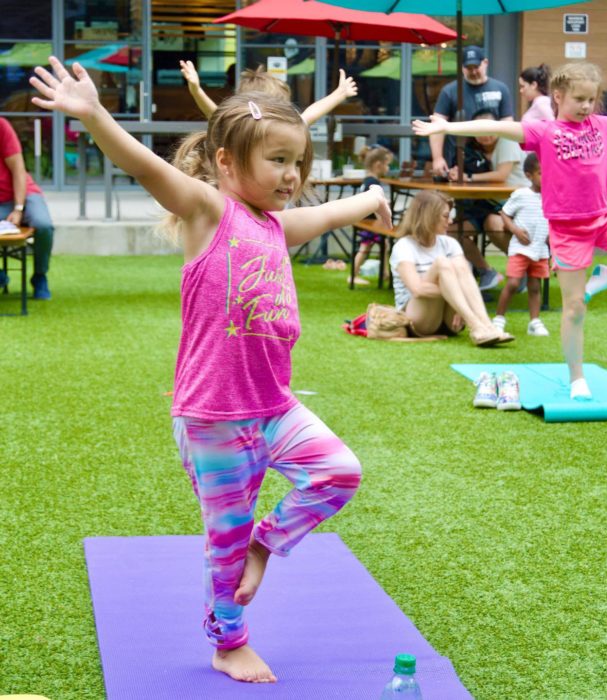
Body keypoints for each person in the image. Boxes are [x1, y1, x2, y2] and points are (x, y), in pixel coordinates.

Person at [31, 56, 392, 684]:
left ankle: (265, 541)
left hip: (274, 407)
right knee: (221, 546)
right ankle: (229, 641)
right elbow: (141, 165)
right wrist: (93, 115)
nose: (292, 175)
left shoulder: (280, 227)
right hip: (213, 419)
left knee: (339, 472)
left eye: (297, 162)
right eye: (277, 161)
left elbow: (333, 214)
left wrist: (373, 196)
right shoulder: (207, 211)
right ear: (226, 162)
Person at [413, 62, 607, 399]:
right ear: (558, 96)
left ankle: (605, 277)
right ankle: (577, 378)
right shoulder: (544, 131)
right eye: (578, 99)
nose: (585, 106)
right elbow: (494, 127)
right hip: (568, 232)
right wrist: (448, 127)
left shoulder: (601, 125)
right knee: (574, 309)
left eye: (591, 99)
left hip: (603, 219)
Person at [389, 189, 514, 347]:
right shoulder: (404, 246)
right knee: (442, 263)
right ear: (429, 216)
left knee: (458, 265)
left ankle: (487, 326)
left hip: (449, 322)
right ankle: (475, 326)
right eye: (446, 216)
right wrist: (455, 294)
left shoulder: (449, 243)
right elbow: (418, 290)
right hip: (418, 321)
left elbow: (465, 277)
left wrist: (455, 296)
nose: (450, 221)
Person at [447, 108, 529, 290]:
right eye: (479, 133)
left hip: (516, 206)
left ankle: (523, 268)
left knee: (492, 224)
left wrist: (467, 177)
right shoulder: (473, 150)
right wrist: (456, 172)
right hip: (488, 204)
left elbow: (501, 175)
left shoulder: (508, 141)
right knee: (452, 232)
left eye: (488, 131)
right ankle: (486, 272)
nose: (485, 137)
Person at [179, 61, 358, 126]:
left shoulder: (283, 128)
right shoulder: (240, 128)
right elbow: (215, 114)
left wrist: (339, 94)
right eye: (281, 104)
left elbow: (310, 113)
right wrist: (196, 90)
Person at [429, 45, 514, 179]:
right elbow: (437, 125)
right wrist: (438, 158)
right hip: (457, 160)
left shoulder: (501, 89)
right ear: (462, 68)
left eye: (476, 67)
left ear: (485, 63)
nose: (473, 71)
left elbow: (508, 124)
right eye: (469, 68)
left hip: (492, 162)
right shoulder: (449, 91)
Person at [492, 152, 550, 337]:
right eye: (541, 173)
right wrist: (515, 231)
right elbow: (505, 213)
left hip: (540, 249)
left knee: (535, 286)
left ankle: (534, 322)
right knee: (513, 283)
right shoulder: (521, 195)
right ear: (528, 175)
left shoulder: (552, 197)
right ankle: (499, 320)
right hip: (520, 248)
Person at [0, 117, 54, 299]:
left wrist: (18, 208)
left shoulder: (2, 126)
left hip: (22, 193)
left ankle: (40, 276)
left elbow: (18, 170)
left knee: (43, 224)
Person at [348, 143, 393, 286]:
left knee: (382, 245)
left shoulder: (368, 180)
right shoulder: (373, 182)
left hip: (367, 221)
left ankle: (385, 272)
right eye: (387, 165)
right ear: (378, 165)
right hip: (370, 223)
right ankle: (353, 275)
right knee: (365, 248)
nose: (388, 168)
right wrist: (383, 220)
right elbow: (375, 204)